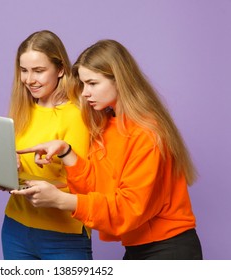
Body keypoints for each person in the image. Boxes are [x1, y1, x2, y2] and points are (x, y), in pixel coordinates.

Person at [12, 39, 203, 260]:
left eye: (92, 83)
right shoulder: (107, 125)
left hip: (170, 251)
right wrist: (66, 152)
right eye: (83, 85)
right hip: (137, 247)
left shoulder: (147, 133)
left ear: (119, 80)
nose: (84, 93)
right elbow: (97, 189)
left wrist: (60, 200)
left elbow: (128, 208)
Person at [0, 30, 93, 260]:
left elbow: (87, 185)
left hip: (63, 236)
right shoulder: (22, 110)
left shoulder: (78, 115)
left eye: (39, 71)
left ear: (61, 69)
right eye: (24, 70)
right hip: (15, 228)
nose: (29, 79)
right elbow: (21, 175)